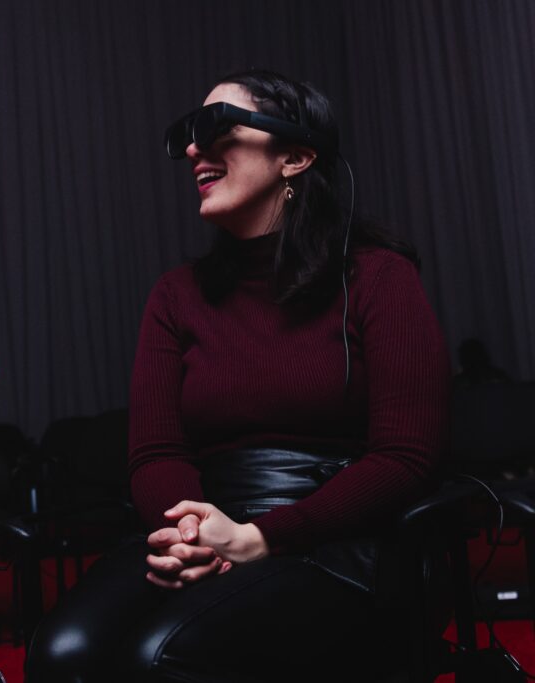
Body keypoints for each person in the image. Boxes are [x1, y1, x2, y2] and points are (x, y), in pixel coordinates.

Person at [27, 69, 450, 682]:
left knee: (159, 655)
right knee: (63, 654)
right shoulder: (176, 296)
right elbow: (155, 451)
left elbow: (408, 456)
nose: (195, 149)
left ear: (296, 156)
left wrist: (261, 538)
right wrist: (193, 533)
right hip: (207, 524)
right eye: (187, 135)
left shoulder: (379, 278)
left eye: (216, 127)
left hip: (338, 540)